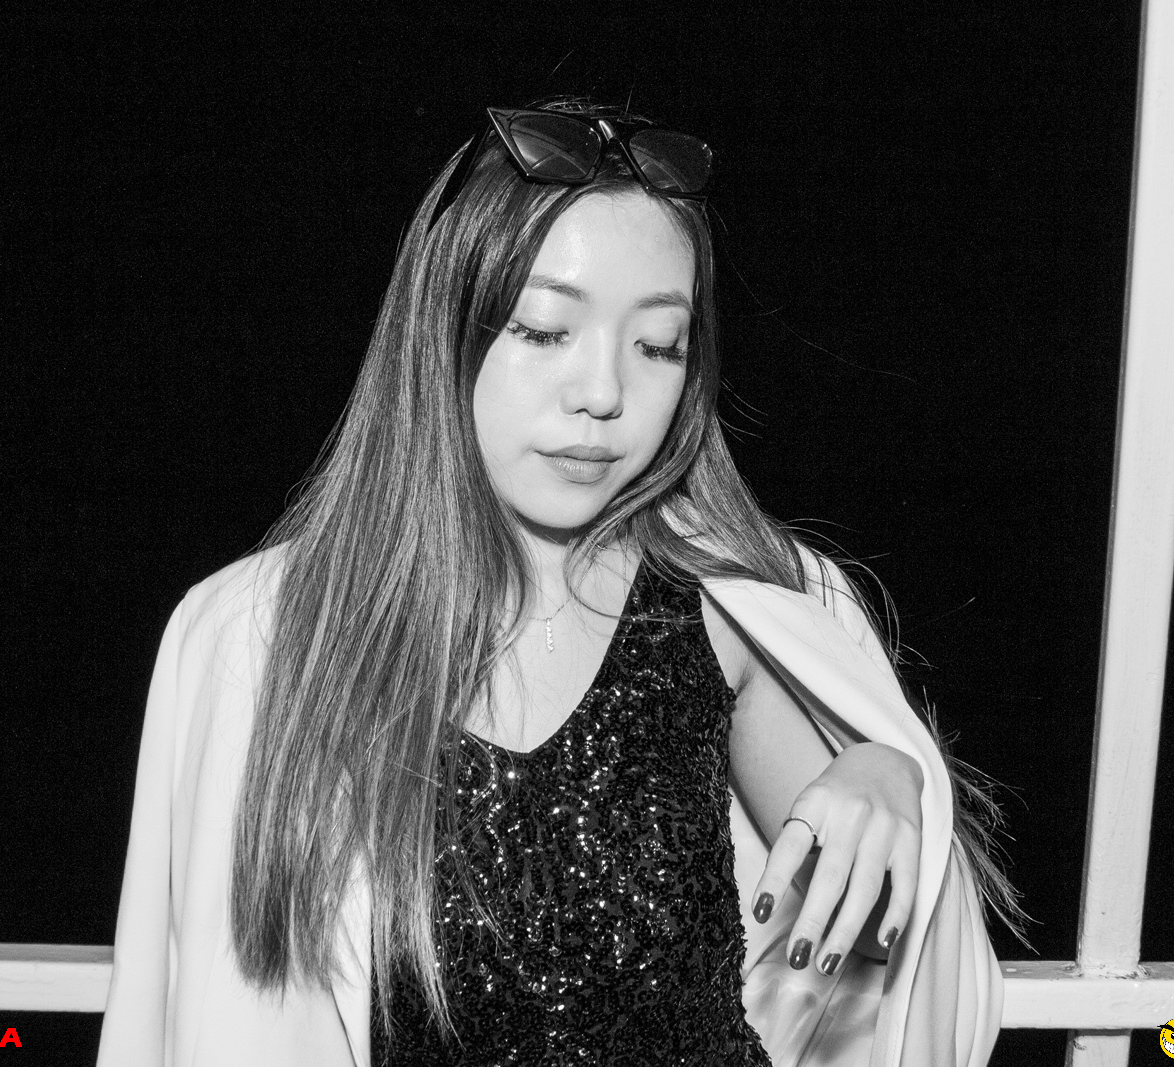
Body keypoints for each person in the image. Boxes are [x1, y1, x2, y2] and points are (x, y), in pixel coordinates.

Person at [96, 101, 1019, 1067]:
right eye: (545, 331)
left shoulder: (728, 613)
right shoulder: (269, 638)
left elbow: (883, 959)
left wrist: (890, 777)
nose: (604, 393)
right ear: (441, 334)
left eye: (657, 344)